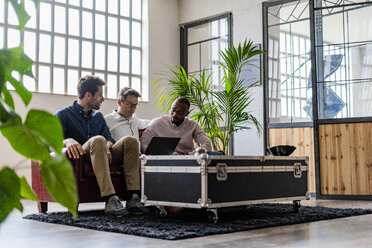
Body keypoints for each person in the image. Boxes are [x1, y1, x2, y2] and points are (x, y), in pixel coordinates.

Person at [55, 75, 148, 217]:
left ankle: (133, 198)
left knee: (130, 141)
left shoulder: (98, 116)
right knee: (98, 139)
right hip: (82, 155)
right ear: (88, 95)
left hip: (103, 154)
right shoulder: (63, 114)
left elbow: (109, 138)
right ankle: (110, 198)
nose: (103, 99)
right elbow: (53, 140)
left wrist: (108, 146)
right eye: (100, 95)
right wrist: (67, 140)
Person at [140, 96, 213, 155]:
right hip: (164, 158)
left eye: (180, 112)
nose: (175, 114)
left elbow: (206, 145)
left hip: (187, 159)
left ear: (187, 114)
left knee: (215, 154)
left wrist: (187, 155)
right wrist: (155, 154)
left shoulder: (193, 125)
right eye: (173, 110)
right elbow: (144, 141)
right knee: (174, 155)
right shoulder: (157, 123)